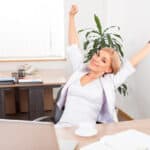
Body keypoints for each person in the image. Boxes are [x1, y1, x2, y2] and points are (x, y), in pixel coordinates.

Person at [56, 5, 150, 126]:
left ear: (109, 69)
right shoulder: (80, 70)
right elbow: (73, 46)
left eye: (103, 60)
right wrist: (71, 17)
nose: (96, 59)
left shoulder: (110, 82)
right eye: (97, 54)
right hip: (62, 128)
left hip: (87, 132)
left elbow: (130, 65)